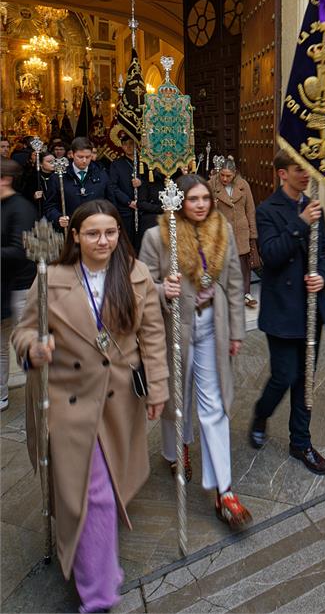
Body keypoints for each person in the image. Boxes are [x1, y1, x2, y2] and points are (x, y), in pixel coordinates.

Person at [12, 199, 169, 612]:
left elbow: (152, 337)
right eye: (94, 233)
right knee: (91, 492)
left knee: (106, 484)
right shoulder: (51, 278)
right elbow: (24, 331)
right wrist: (34, 347)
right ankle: (98, 594)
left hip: (118, 398)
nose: (104, 241)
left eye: (111, 232)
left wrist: (159, 388)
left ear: (120, 234)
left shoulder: (135, 276)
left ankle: (97, 556)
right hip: (67, 398)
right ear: (76, 236)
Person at [139, 174, 252, 529]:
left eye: (205, 197)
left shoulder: (224, 232)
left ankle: (224, 489)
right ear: (179, 203)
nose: (201, 204)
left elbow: (234, 282)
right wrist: (162, 289)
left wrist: (236, 329)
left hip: (212, 328)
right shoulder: (158, 237)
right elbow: (141, 287)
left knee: (214, 407)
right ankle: (177, 450)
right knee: (178, 399)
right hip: (175, 328)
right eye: (193, 199)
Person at [249, 150, 325, 475]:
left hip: (310, 307)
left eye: (308, 169)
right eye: (299, 169)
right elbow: (270, 255)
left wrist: (322, 275)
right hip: (282, 309)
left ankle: (301, 442)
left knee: (306, 380)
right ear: (282, 174)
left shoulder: (315, 208)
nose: (306, 175)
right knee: (284, 375)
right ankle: (261, 413)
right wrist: (301, 223)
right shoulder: (267, 210)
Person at [0, 158, 36, 411]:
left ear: (5, 179)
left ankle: (42, 391)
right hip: (3, 285)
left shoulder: (21, 208)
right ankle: (1, 394)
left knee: (25, 341)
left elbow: (19, 251)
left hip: (19, 286)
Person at [209, 156, 259, 308]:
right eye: (222, 175)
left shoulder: (243, 185)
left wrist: (253, 234)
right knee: (224, 264)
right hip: (221, 232)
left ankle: (246, 293)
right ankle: (226, 294)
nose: (224, 178)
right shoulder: (211, 184)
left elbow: (250, 210)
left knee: (244, 264)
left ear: (235, 173)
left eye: (228, 175)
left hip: (241, 231)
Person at [44, 137, 109, 231]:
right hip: (70, 229)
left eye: (88, 157)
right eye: (80, 157)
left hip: (96, 228)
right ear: (72, 154)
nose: (84, 160)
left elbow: (109, 202)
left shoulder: (101, 174)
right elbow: (50, 206)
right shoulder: (58, 177)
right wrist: (58, 217)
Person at [108, 135, 141, 248]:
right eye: (125, 144)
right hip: (125, 209)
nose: (129, 147)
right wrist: (128, 201)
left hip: (142, 208)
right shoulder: (116, 164)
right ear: (121, 146)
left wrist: (141, 183)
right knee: (126, 241)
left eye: (131, 144)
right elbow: (113, 187)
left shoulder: (143, 163)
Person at [137, 168, 166, 241]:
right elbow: (141, 203)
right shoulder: (148, 179)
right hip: (152, 217)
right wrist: (160, 208)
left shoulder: (175, 179)